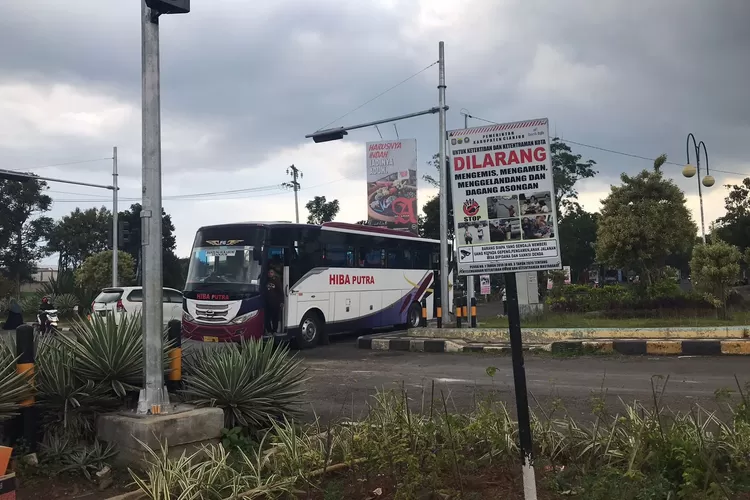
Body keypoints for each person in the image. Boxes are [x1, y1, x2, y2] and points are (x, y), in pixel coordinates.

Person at [264, 268, 284, 334]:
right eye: (269, 272)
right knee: (267, 317)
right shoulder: (265, 280)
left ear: (274, 273)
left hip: (275, 303)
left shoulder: (277, 281)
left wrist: (281, 302)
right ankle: (269, 330)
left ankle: (274, 330)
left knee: (275, 317)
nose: (270, 274)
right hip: (267, 303)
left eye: (271, 272)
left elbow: (280, 292)